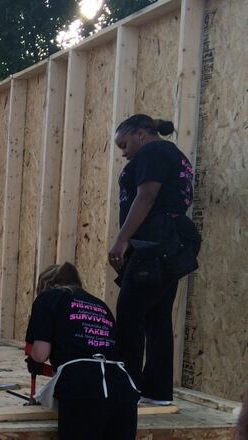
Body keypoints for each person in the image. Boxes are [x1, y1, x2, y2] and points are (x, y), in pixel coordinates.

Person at [108, 114, 201, 405]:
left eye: (124, 144)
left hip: (155, 242)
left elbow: (146, 196)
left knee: (129, 313)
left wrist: (122, 240)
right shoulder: (173, 155)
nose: (123, 153)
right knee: (157, 316)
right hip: (171, 242)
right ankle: (157, 392)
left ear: (141, 133)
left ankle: (126, 389)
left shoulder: (154, 151)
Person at [25, 263, 139, 440]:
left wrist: (34, 358)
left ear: (46, 286)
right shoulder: (100, 305)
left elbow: (40, 354)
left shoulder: (48, 298)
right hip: (122, 387)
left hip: (81, 388)